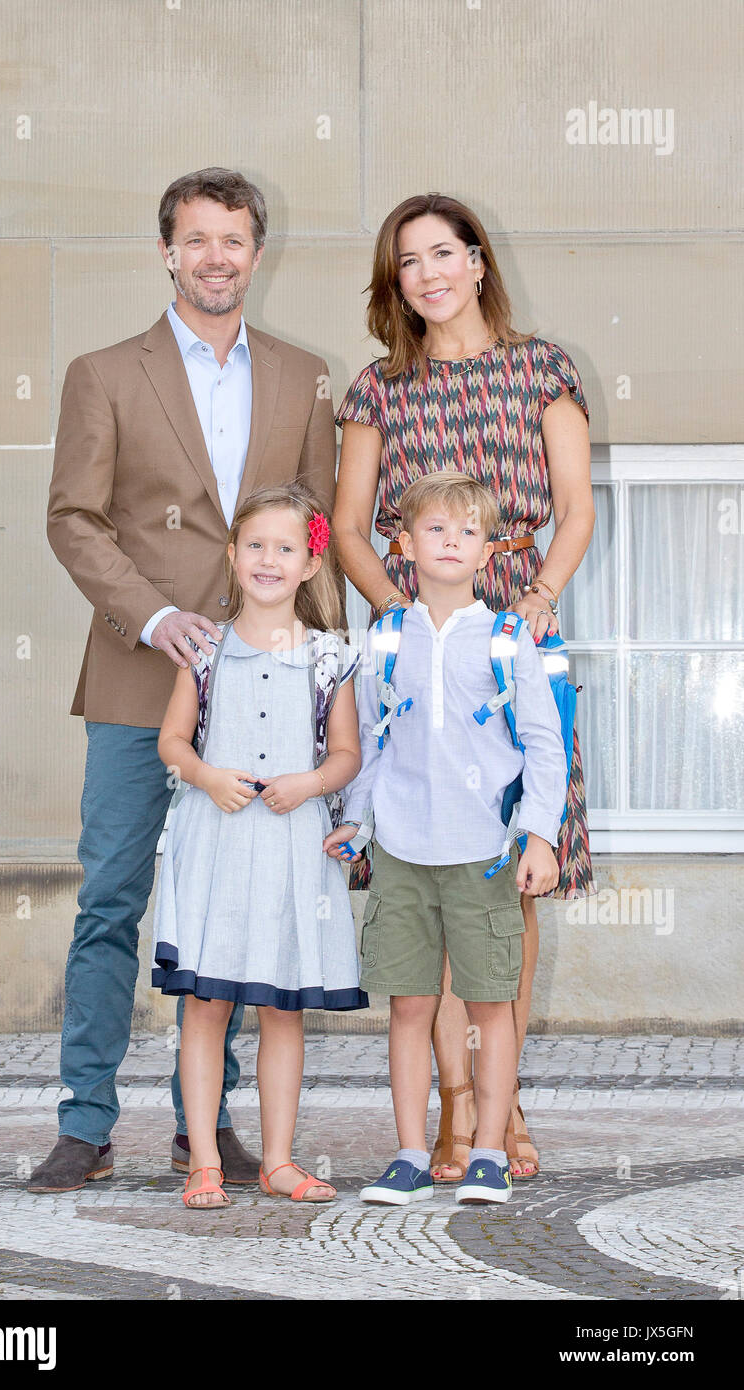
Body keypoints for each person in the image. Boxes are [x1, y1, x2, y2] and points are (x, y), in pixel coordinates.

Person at [32, 168, 341, 1194]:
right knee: (113, 898)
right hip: (136, 677)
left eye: (234, 239)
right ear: (168, 250)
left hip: (264, 697)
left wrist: (329, 674)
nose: (216, 256)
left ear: (258, 251)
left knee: (237, 906)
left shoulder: (302, 376)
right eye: (196, 239)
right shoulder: (104, 372)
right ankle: (83, 1124)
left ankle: (198, 1129)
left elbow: (316, 538)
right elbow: (72, 517)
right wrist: (156, 617)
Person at [331, 192, 596, 1181]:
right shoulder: (375, 389)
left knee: (503, 884)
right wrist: (398, 613)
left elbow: (572, 508)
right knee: (426, 881)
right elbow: (350, 528)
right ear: (393, 281)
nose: (428, 272)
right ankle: (445, 1112)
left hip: (511, 646)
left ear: (478, 261)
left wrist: (534, 594)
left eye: (443, 252)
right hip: (415, 662)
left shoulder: (542, 369)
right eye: (408, 260)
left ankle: (500, 1103)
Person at [325, 472, 567, 1204]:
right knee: (407, 1005)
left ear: (488, 551)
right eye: (435, 529)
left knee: (491, 1007)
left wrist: (538, 837)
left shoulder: (504, 640)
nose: (452, 542)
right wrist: (354, 819)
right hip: (401, 851)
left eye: (467, 532)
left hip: (484, 855)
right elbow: (369, 740)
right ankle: (407, 1151)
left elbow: (541, 743)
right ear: (402, 544)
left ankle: (487, 1151)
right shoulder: (383, 640)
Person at [152, 483, 365, 1209]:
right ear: (232, 554)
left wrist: (308, 785)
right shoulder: (204, 650)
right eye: (254, 545)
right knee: (206, 1006)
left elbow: (345, 756)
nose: (268, 559)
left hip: (291, 851)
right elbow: (171, 743)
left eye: (285, 547)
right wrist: (207, 775)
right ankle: (204, 1159)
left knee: (283, 1007)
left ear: (310, 564)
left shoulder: (331, 657)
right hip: (216, 844)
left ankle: (277, 1159)